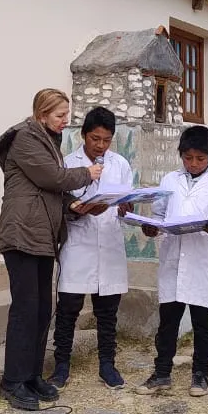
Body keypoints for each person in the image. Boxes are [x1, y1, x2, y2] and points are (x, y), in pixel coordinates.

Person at [0, 89, 102, 411]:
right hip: (21, 234)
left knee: (42, 309)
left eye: (67, 115)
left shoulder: (47, 140)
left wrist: (75, 206)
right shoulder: (25, 138)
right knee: (26, 309)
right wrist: (88, 173)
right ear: (42, 114)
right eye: (59, 116)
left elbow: (47, 191)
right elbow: (52, 177)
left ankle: (31, 376)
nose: (65, 122)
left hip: (40, 237)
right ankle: (12, 381)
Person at [134, 125, 208, 398]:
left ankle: (200, 374)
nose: (193, 164)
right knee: (168, 322)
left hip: (202, 260)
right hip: (173, 258)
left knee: (203, 324)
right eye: (188, 158)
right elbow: (159, 214)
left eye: (200, 159)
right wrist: (150, 227)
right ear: (181, 155)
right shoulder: (169, 181)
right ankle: (162, 372)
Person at [50, 107, 132, 389]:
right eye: (95, 138)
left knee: (107, 312)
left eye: (106, 140)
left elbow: (124, 205)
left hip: (108, 243)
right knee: (68, 309)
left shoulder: (120, 164)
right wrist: (81, 210)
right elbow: (60, 205)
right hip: (78, 243)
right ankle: (61, 366)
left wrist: (125, 206)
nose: (100, 145)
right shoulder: (67, 163)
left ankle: (107, 365)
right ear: (83, 135)